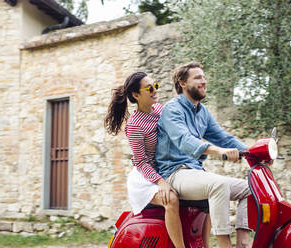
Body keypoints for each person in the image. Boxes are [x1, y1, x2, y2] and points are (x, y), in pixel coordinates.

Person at [105, 72, 209, 248]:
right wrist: (161, 183)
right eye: (150, 88)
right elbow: (141, 162)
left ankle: (205, 245)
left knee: (208, 192)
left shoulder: (161, 110)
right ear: (136, 95)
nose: (155, 91)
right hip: (146, 177)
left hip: (168, 167)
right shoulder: (134, 126)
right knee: (171, 199)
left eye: (156, 86)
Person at [155, 62, 252, 248]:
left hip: (195, 172)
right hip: (175, 173)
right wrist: (218, 151)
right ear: (182, 83)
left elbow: (223, 137)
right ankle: (225, 245)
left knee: (250, 188)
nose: (204, 81)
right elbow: (184, 141)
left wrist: (251, 152)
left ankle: (243, 243)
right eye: (198, 77)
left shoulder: (202, 111)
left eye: (204, 77)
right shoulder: (172, 109)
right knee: (219, 184)